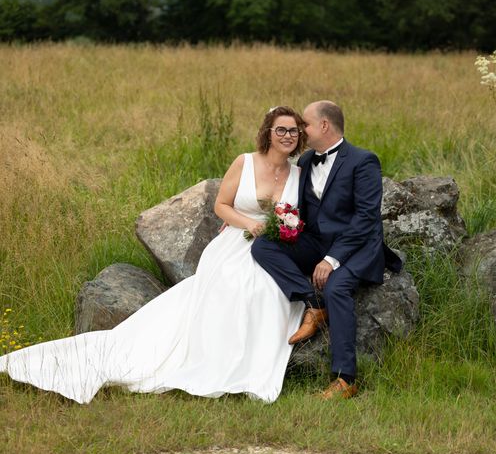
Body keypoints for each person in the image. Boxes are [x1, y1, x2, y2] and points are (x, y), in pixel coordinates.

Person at [0, 106, 307, 404]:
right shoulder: (246, 162)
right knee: (234, 285)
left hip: (274, 248)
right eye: (280, 129)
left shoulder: (297, 173)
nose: (287, 135)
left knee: (268, 291)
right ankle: (218, 361)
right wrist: (249, 223)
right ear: (268, 132)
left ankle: (253, 360)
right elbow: (221, 206)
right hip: (235, 243)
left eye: (293, 130)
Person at [252, 100, 402, 400]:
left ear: (324, 125)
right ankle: (311, 302)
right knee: (263, 246)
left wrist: (331, 260)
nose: (300, 131)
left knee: (335, 286)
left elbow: (365, 219)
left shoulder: (363, 161)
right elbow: (293, 204)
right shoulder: (307, 161)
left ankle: (345, 379)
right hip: (317, 242)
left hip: (358, 247)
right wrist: (244, 221)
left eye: (304, 124)